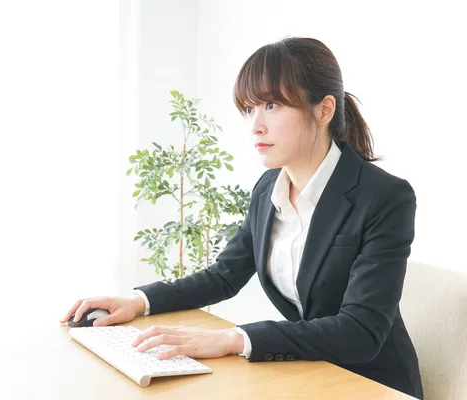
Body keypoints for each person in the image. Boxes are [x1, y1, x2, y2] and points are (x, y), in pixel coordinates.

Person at [60, 37, 423, 399]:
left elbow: (360, 332)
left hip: (372, 384)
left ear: (324, 109)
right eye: (249, 109)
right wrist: (139, 302)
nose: (255, 126)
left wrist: (234, 338)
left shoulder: (384, 197)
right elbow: (223, 276)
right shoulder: (269, 188)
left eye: (271, 105)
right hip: (305, 371)